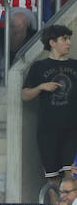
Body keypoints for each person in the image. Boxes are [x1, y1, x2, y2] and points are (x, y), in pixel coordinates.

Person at [23, 25, 77, 183]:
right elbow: (25, 95)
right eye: (64, 39)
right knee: (52, 176)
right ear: (52, 42)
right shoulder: (39, 67)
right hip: (48, 128)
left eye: (69, 39)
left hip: (72, 128)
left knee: (71, 173)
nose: (68, 43)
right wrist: (41, 87)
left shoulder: (75, 65)